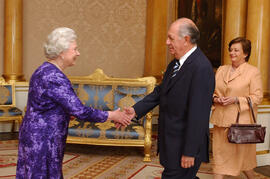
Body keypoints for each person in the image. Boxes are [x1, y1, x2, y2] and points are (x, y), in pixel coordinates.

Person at [16, 27, 131, 178]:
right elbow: (80, 111)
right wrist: (112, 115)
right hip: (44, 139)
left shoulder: (43, 70)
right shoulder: (55, 77)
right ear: (62, 52)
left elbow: (45, 105)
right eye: (75, 49)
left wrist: (63, 112)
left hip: (35, 134)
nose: (78, 53)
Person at [124, 18, 215, 179]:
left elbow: (198, 114)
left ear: (186, 39)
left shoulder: (201, 68)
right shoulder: (175, 64)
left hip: (184, 145)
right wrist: (135, 110)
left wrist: (190, 151)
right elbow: (160, 92)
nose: (167, 42)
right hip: (171, 142)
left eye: (171, 38)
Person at [210, 37, 263, 179]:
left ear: (245, 54)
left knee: (243, 160)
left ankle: (251, 176)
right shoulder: (221, 70)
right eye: (230, 49)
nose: (231, 53)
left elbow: (257, 97)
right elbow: (213, 92)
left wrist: (236, 100)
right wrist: (216, 99)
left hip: (240, 124)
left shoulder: (253, 72)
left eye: (236, 50)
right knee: (219, 157)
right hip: (220, 120)